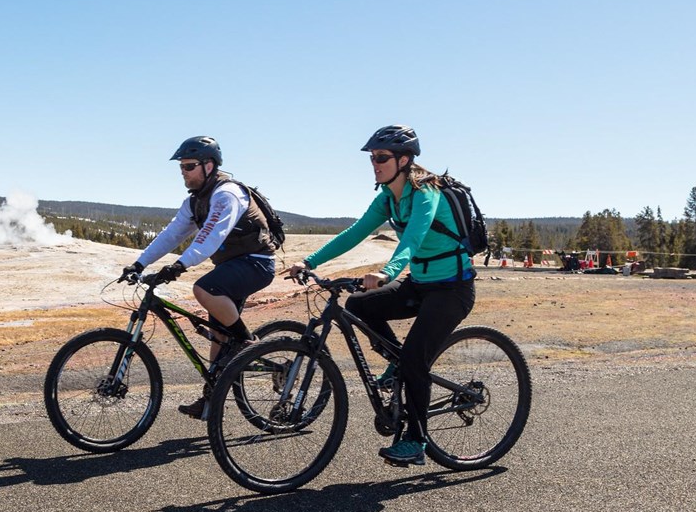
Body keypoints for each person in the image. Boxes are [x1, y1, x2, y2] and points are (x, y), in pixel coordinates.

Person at [288, 125, 475, 467]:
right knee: (358, 304)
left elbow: (413, 239)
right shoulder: (388, 197)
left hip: (452, 290)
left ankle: (416, 440)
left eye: (381, 157)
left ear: (404, 160)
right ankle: (397, 363)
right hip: (420, 283)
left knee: (416, 361)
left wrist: (387, 272)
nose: (375, 163)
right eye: (372, 158)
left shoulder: (425, 193)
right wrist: (308, 261)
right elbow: (356, 232)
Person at [121, 136, 278, 419]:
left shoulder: (226, 194)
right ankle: (210, 401)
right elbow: (172, 234)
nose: (184, 172)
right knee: (219, 335)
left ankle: (247, 343)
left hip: (256, 263)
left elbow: (211, 236)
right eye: (181, 167)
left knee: (205, 289)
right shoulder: (195, 202)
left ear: (209, 165)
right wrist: (139, 263)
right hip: (231, 267)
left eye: (189, 166)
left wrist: (179, 266)